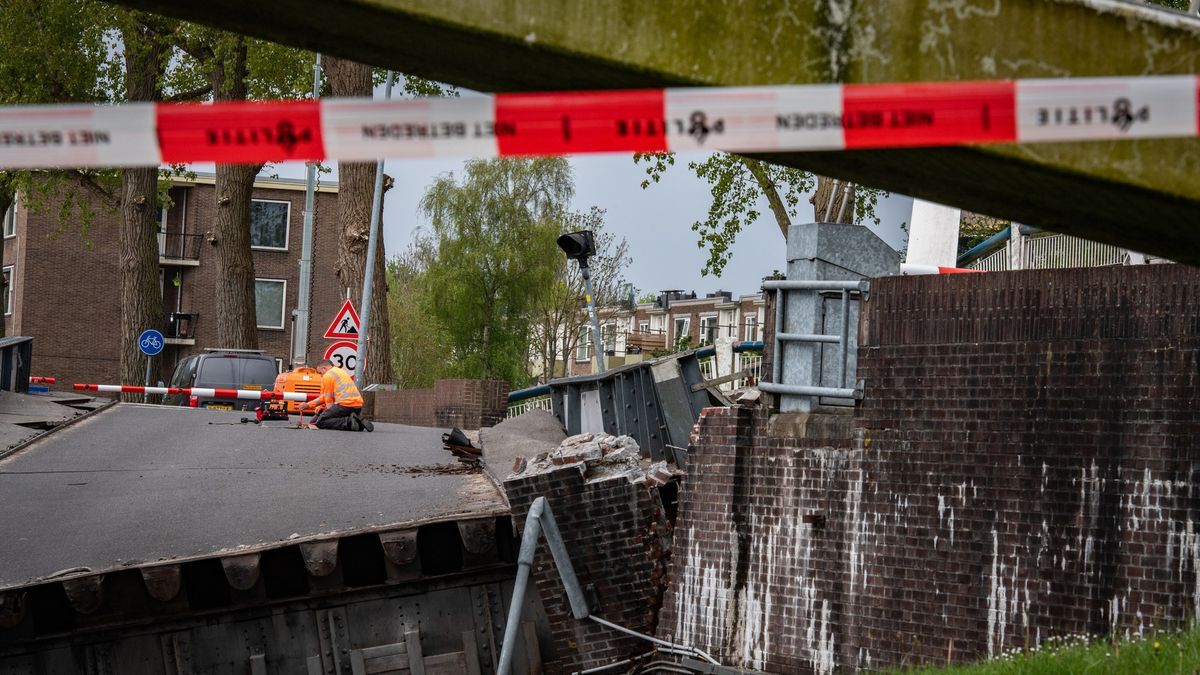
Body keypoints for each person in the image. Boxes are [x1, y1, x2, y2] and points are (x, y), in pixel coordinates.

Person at [299, 360, 374, 432]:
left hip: (345, 406)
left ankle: (350, 422)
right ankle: (356, 421)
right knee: (314, 421)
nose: (320, 375)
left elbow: (328, 401)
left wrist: (323, 414)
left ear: (324, 368)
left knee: (320, 422)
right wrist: (309, 405)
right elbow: (325, 397)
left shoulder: (328, 376)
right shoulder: (340, 371)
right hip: (357, 407)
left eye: (320, 373)